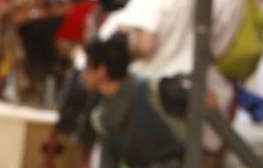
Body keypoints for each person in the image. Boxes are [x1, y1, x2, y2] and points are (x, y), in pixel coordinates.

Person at [80, 34, 188, 168]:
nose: (83, 74)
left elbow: (192, 98)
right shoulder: (101, 116)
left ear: (102, 71)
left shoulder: (150, 88)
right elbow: (109, 160)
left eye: (87, 67)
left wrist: (201, 97)